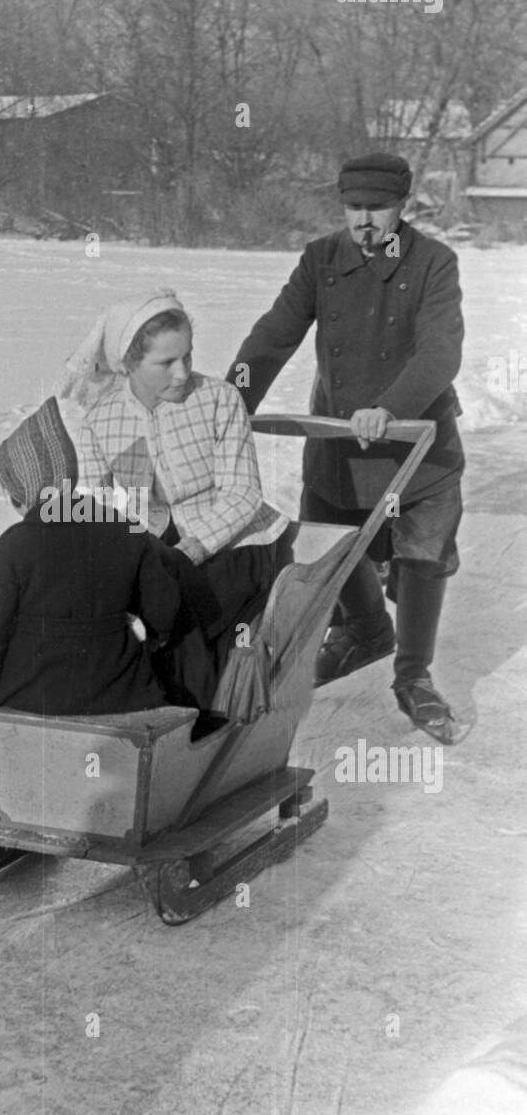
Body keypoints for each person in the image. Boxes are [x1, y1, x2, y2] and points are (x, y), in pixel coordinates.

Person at [226, 152, 464, 742]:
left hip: (416, 446)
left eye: (376, 209)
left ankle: (414, 675)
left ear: (401, 207)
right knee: (330, 543)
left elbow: (441, 351)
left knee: (421, 557)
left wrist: (391, 406)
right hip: (339, 443)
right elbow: (276, 332)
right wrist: (232, 401)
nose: (364, 222)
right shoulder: (321, 258)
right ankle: (364, 630)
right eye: (353, 209)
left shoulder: (435, 262)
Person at [71, 291, 292, 710]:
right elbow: (95, 503)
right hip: (156, 543)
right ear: (129, 364)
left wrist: (187, 551)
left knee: (173, 608)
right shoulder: (102, 419)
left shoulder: (219, 399)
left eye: (187, 356)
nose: (182, 372)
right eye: (165, 362)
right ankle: (132, 720)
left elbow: (243, 494)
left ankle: (196, 724)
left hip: (237, 543)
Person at [0, 397, 182, 730]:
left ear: (23, 492)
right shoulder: (122, 529)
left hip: (30, 696)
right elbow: (163, 606)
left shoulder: (14, 546)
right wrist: (154, 645)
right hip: (122, 692)